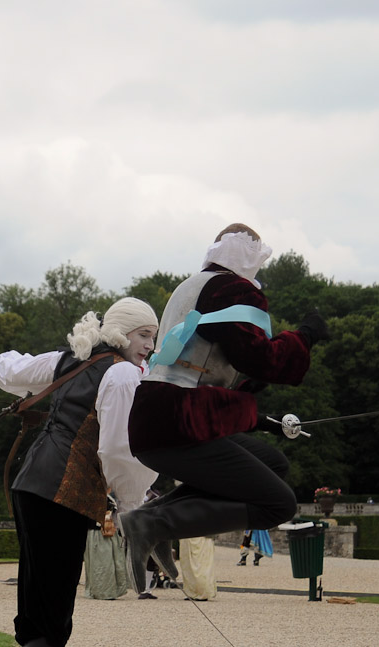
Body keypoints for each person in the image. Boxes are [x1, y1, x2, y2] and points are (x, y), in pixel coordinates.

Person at [0, 297, 160, 647]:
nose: (150, 346)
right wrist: (131, 506)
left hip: (33, 486)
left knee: (42, 603)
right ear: (122, 334)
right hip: (57, 494)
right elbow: (120, 450)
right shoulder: (121, 374)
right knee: (51, 608)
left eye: (154, 337)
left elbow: (12, 366)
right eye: (144, 335)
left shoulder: (75, 359)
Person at [118, 223, 329, 593]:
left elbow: (212, 368)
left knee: (274, 464)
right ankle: (155, 524)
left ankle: (152, 516)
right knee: (279, 505)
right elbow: (264, 360)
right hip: (179, 422)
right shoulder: (230, 289)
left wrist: (262, 418)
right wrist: (305, 335)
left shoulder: (192, 286)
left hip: (160, 417)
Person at [83, 496, 129, 600]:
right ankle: (102, 591)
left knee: (108, 563)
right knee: (102, 564)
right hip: (96, 532)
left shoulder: (111, 496)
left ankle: (107, 590)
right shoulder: (97, 495)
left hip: (106, 531)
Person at [180, 536, 217, 601]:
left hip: (201, 535)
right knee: (187, 565)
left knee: (201, 563)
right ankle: (191, 592)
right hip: (187, 535)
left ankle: (202, 592)